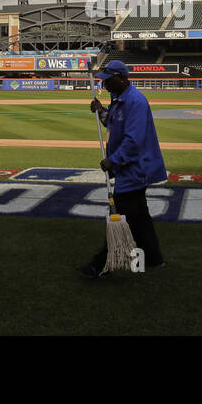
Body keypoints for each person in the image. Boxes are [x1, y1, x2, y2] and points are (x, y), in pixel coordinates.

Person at [77, 60, 167, 278]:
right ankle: (154, 259)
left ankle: (102, 263)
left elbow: (133, 140)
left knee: (121, 216)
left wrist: (113, 161)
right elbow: (114, 124)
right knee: (139, 217)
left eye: (109, 80)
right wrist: (101, 111)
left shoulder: (135, 102)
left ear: (123, 79)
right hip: (129, 167)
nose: (105, 84)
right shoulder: (118, 99)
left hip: (135, 168)